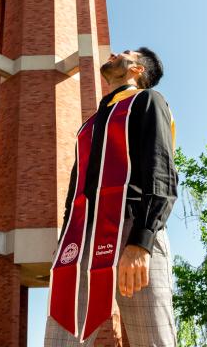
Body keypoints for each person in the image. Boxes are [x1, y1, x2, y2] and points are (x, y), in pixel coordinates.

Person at [44, 48, 178, 346]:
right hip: (80, 240)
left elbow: (161, 174)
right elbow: (75, 189)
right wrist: (64, 241)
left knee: (152, 339)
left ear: (138, 70)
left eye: (126, 53)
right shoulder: (90, 124)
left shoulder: (148, 102)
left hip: (134, 229)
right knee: (60, 338)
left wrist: (141, 243)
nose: (115, 53)